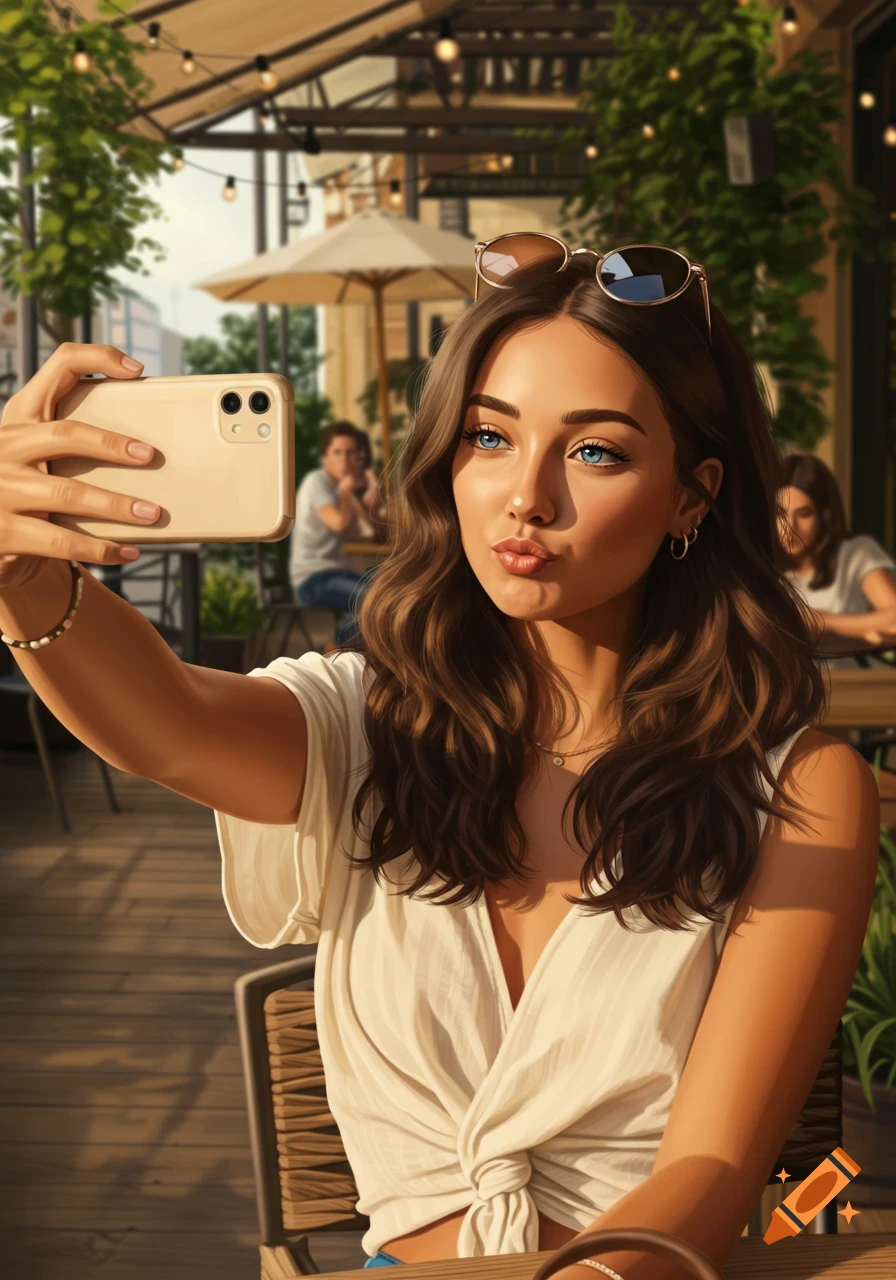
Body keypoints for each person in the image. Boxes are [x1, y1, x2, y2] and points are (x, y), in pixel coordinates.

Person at [0, 241, 878, 1280]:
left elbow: (715, 1166)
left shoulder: (797, 788)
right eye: (488, 436)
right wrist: (18, 571)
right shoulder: (369, 724)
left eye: (594, 451)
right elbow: (169, 719)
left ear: (692, 493)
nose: (526, 496)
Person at [777, 452, 896, 661]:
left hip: (850, 685)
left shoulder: (855, 554)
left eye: (804, 514)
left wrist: (825, 621)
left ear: (825, 514)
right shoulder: (762, 565)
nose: (790, 528)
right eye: (780, 513)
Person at [288, 421, 379, 648]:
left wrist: (372, 497)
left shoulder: (339, 487)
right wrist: (347, 490)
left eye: (350, 453)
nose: (344, 460)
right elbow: (339, 524)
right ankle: (338, 651)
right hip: (312, 579)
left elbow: (367, 531)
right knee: (370, 600)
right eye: (337, 453)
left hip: (337, 573)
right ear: (325, 456)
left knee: (388, 590)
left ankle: (341, 649)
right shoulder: (316, 482)